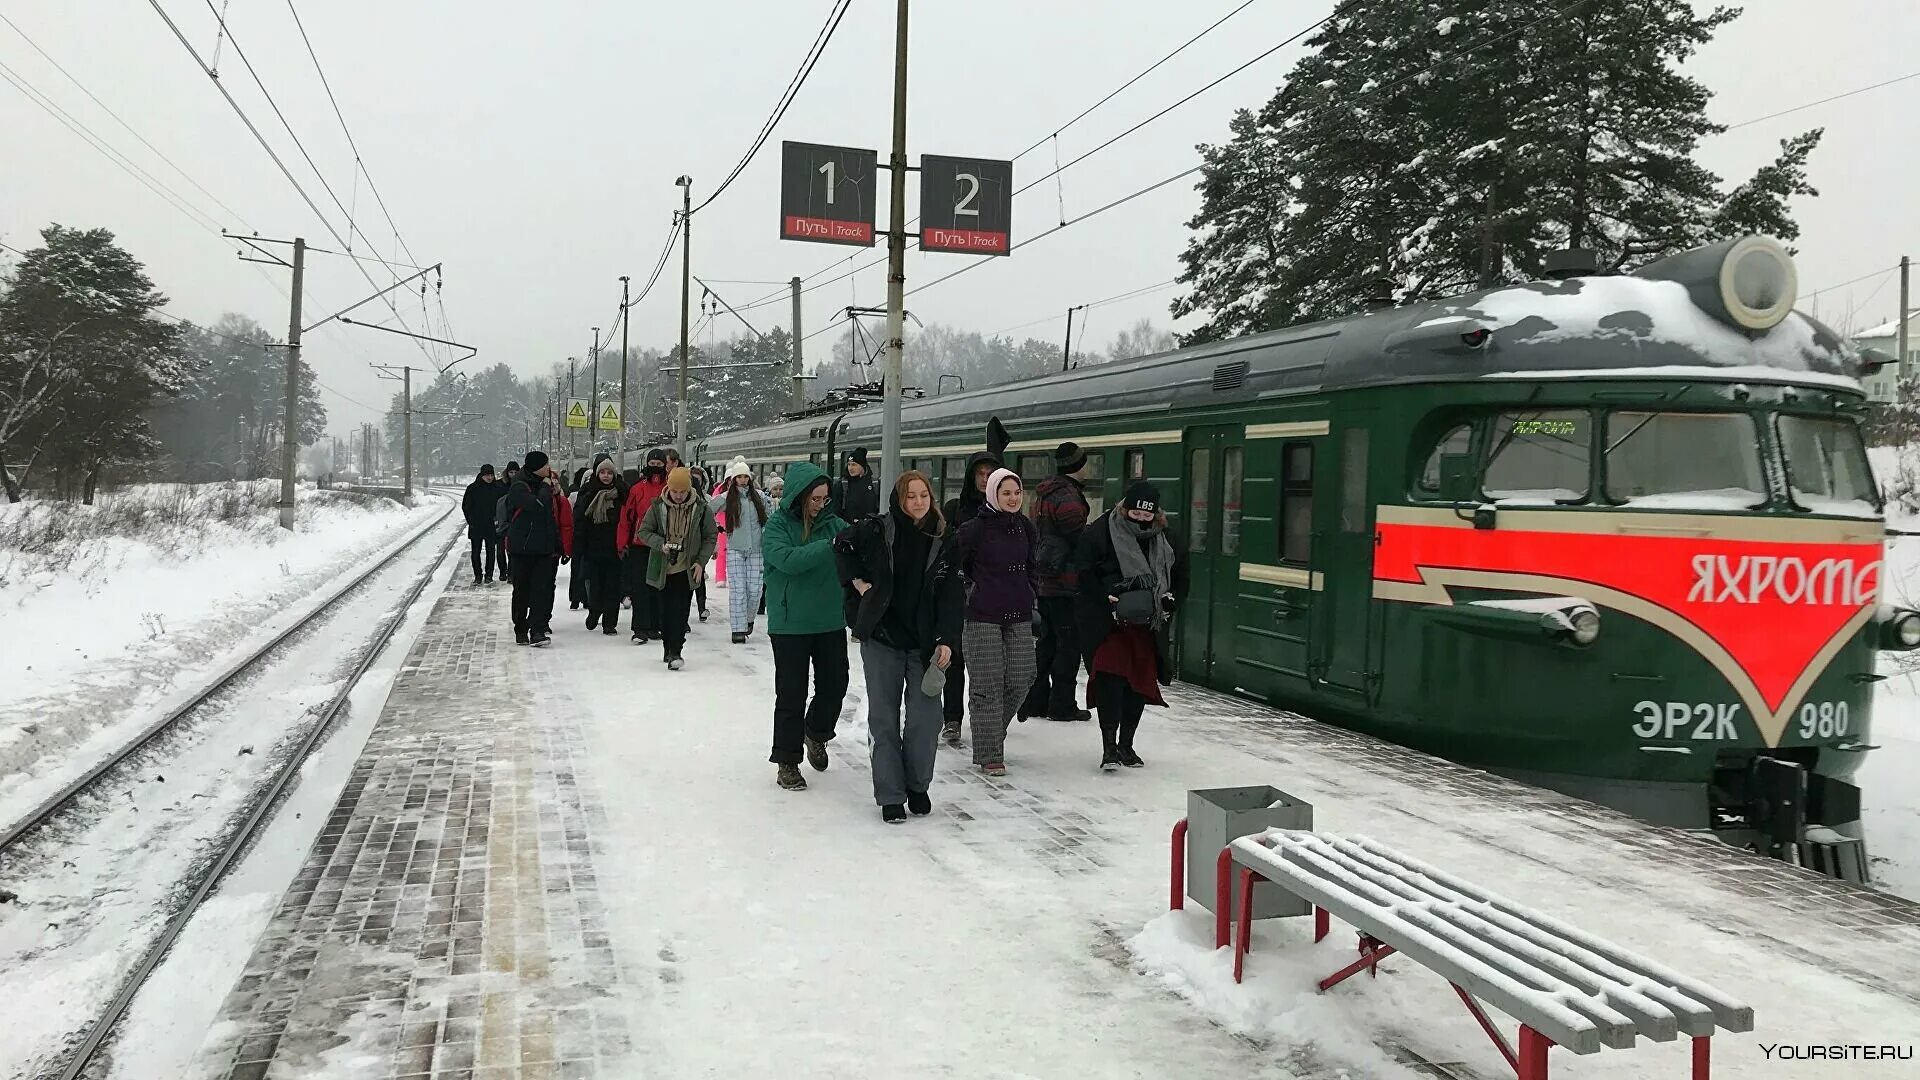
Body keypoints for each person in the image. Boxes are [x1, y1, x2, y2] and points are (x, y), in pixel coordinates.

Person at [836, 471, 962, 823]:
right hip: (883, 640)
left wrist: (948, 639)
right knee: (884, 718)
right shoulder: (877, 530)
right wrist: (857, 583)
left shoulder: (945, 537)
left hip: (925, 644)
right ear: (899, 499)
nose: (918, 502)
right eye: (911, 496)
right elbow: (840, 545)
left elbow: (953, 594)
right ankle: (891, 794)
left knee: (926, 719)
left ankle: (917, 786)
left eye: (924, 495)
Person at [1074, 481, 1190, 770]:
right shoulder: (1100, 533)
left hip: (1147, 625)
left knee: (1138, 683)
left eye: (1146, 515)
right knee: (1110, 678)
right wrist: (1105, 596)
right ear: (1124, 507)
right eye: (1134, 513)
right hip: (1107, 623)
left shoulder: (1168, 539)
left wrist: (1172, 600)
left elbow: (1181, 576)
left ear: (1155, 514)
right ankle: (1109, 747)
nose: (1140, 519)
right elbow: (1082, 572)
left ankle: (1127, 745)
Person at [762, 461, 851, 791]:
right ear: (799, 496)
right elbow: (787, 560)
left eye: (825, 499)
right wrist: (828, 546)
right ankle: (787, 761)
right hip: (789, 624)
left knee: (836, 684)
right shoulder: (776, 527)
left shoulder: (835, 524)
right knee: (791, 693)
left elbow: (853, 547)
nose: (820, 505)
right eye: (815, 499)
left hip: (828, 619)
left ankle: (816, 730)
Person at [956, 468, 1038, 776]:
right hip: (982, 614)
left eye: (1017, 492)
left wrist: (1032, 591)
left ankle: (990, 730)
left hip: (1018, 611)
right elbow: (956, 566)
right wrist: (969, 592)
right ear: (993, 495)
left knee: (1022, 676)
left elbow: (1032, 566)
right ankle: (990, 753)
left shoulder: (1027, 528)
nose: (1013, 498)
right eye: (1006, 493)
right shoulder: (973, 529)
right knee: (987, 684)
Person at [1022, 442, 1094, 722]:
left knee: (1047, 643)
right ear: (1078, 465)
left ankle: (1037, 700)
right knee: (1068, 645)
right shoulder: (1068, 497)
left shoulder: (1044, 493)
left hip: (1046, 580)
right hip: (1066, 582)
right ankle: (1062, 704)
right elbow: (1078, 537)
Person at [937, 450, 1000, 746]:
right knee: (956, 658)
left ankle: (984, 718)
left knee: (986, 663)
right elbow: (944, 548)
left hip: (993, 595)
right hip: (961, 592)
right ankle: (952, 719)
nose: (985, 479)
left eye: (990, 474)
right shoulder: (955, 509)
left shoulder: (1006, 511)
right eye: (980, 474)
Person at [637, 466, 717, 669]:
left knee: (680, 612)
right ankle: (668, 647)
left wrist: (701, 561)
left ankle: (676, 651)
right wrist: (660, 544)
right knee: (665, 612)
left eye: (683, 492)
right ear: (668, 489)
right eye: (675, 492)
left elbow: (710, 536)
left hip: (687, 569)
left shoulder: (701, 509)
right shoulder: (657, 507)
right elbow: (644, 532)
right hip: (663, 569)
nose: (679, 496)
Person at [505, 451, 574, 646]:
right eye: (545, 465)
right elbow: (537, 505)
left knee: (541, 590)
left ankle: (537, 630)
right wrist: (545, 488)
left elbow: (554, 517)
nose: (549, 468)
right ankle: (521, 628)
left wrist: (560, 546)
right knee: (522, 591)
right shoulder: (519, 486)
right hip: (522, 549)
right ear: (537, 467)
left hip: (544, 548)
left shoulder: (549, 486)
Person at [711, 459, 769, 644]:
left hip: (756, 549)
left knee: (755, 590)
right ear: (733, 479)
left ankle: (748, 619)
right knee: (738, 591)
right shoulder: (726, 498)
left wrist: (766, 534)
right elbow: (706, 511)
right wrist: (717, 527)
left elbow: (771, 517)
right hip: (735, 548)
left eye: (745, 476)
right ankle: (738, 629)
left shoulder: (760, 497)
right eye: (739, 477)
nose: (743, 480)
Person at [571, 454, 628, 635]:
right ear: (596, 474)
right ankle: (595, 611)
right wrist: (578, 548)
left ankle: (610, 623)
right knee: (595, 586)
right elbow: (579, 520)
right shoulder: (587, 492)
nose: (605, 476)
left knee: (613, 587)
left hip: (615, 549)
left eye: (609, 473)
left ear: (614, 475)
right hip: (593, 548)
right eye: (602, 472)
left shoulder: (622, 493)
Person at [617, 449, 670, 644]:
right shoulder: (636, 489)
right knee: (640, 587)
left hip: (663, 545)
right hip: (639, 544)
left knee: (660, 586)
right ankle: (640, 627)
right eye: (652, 463)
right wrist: (622, 543)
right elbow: (626, 518)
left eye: (659, 463)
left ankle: (656, 625)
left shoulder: (671, 488)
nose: (655, 467)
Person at [462, 463, 501, 585]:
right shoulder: (472, 488)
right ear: (482, 475)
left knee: (491, 551)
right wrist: (471, 521)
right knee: (475, 551)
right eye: (487, 475)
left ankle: (489, 575)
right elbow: (466, 507)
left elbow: (501, 506)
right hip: (476, 525)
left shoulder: (496, 488)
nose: (490, 478)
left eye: (491, 475)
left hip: (491, 525)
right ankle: (477, 575)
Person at [835, 447, 881, 522]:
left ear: (863, 466)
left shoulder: (875, 484)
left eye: (854, 465)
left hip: (869, 530)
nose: (850, 468)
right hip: (848, 529)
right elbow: (835, 512)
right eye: (849, 464)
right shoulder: (842, 485)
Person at [494, 462, 520, 577]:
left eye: (515, 472)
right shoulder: (499, 485)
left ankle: (511, 572)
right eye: (511, 472)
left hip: (514, 521)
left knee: (512, 550)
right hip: (502, 520)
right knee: (500, 550)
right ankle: (502, 571)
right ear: (507, 472)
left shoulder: (521, 485)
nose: (513, 475)